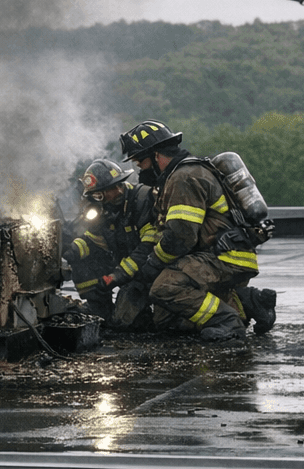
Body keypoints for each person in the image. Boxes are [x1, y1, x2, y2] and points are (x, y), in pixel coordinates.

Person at [119, 121, 278, 342]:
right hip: (219, 255)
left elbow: (180, 237)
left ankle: (227, 323)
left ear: (155, 155)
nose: (139, 169)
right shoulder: (179, 175)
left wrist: (153, 264)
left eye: (140, 161)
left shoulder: (184, 178)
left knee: (165, 287)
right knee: (167, 319)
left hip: (224, 257)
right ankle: (250, 303)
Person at [66, 158, 158, 325]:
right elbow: (94, 241)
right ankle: (99, 309)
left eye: (120, 184)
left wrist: (116, 276)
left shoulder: (143, 200)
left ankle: (142, 312)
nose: (119, 191)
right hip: (123, 266)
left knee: (123, 323)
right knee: (82, 263)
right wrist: (72, 249)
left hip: (147, 271)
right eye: (95, 195)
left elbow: (147, 249)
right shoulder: (102, 210)